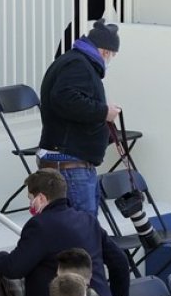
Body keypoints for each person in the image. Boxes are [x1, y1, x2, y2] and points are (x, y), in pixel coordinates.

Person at [0, 169, 129, 296]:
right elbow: (119, 260)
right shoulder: (88, 220)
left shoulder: (39, 225)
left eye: (31, 199)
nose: (30, 204)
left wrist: (0, 258)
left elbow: (14, 268)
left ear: (41, 198)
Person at [37, 19, 123, 216]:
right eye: (112, 55)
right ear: (105, 51)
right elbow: (66, 99)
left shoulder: (74, 62)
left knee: (78, 230)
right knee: (82, 231)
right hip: (71, 164)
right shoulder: (78, 64)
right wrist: (104, 112)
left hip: (70, 161)